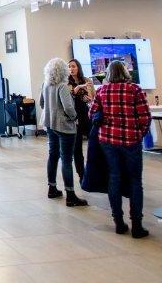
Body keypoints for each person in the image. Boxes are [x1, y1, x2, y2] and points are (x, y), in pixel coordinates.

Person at [89, 60, 151, 238]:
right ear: (125, 72)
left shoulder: (102, 91)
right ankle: (137, 226)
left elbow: (91, 114)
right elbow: (145, 117)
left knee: (114, 178)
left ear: (108, 74)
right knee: (135, 181)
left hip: (108, 141)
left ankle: (119, 222)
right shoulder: (135, 90)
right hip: (131, 141)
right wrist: (139, 134)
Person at [40, 58, 88, 207]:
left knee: (53, 156)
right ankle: (70, 195)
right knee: (67, 160)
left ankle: (52, 188)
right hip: (64, 127)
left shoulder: (45, 85)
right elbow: (68, 107)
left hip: (50, 124)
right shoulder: (62, 87)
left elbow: (42, 103)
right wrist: (74, 118)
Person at [68, 59, 95, 179]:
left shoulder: (87, 80)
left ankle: (94, 171)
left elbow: (92, 97)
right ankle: (82, 175)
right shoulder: (67, 82)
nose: (71, 69)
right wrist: (78, 87)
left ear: (78, 67)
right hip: (74, 116)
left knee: (94, 143)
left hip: (86, 115)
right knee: (77, 148)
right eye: (69, 67)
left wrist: (88, 98)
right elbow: (69, 96)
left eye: (73, 66)